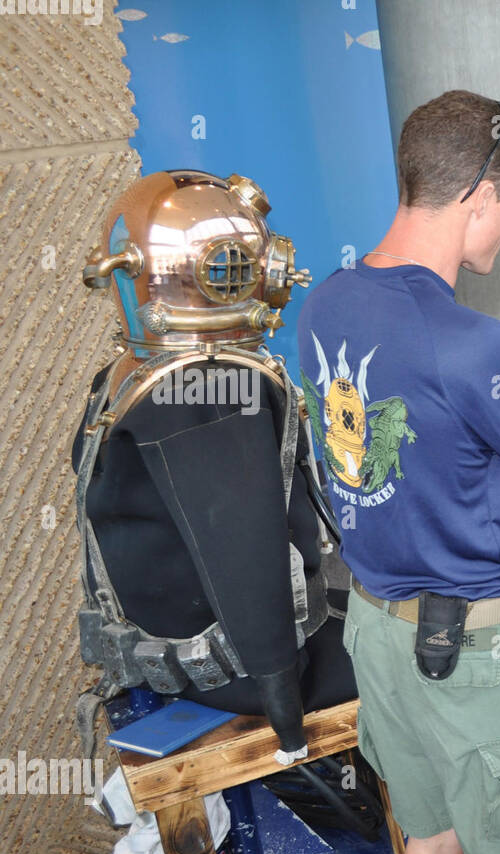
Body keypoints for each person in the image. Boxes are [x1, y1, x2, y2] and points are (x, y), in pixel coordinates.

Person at [296, 90, 500, 854]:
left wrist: (484, 454)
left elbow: (393, 435)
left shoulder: (325, 305)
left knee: (429, 838)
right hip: (478, 651)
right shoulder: (471, 343)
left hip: (378, 632)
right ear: (476, 197)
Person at [75, 170, 355, 764]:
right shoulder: (210, 390)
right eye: (236, 261)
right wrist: (288, 719)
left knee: (367, 609)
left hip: (173, 635)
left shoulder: (133, 371)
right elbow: (246, 565)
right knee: (429, 642)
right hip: (234, 670)